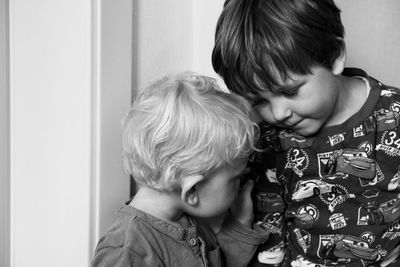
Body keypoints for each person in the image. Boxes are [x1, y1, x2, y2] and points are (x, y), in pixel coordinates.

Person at [212, 0, 400, 266]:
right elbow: (267, 223)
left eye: (290, 91)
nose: (278, 113)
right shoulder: (267, 137)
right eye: (258, 101)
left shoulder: (393, 112)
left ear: (334, 56)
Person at [91, 72, 269, 267]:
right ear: (193, 190)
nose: (240, 185)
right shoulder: (127, 250)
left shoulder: (187, 221)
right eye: (235, 179)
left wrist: (239, 225)